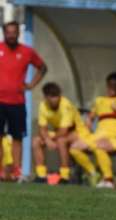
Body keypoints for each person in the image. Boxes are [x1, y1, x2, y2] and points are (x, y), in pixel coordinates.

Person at [0, 21, 47, 181]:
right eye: (8, 32)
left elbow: (43, 68)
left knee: (17, 137)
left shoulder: (27, 52)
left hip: (17, 102)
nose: (11, 35)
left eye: (14, 32)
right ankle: (0, 171)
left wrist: (31, 85)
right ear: (4, 33)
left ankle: (16, 171)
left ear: (18, 34)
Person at [70, 72, 116, 188]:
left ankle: (109, 180)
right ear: (107, 85)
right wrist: (87, 125)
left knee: (99, 146)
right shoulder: (99, 100)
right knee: (74, 147)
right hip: (98, 135)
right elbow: (91, 118)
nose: (112, 88)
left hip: (114, 137)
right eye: (110, 85)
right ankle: (94, 173)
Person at [32, 83, 89, 184]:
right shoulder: (42, 106)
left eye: (57, 95)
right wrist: (47, 139)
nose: (55, 99)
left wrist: (50, 139)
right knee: (36, 141)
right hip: (58, 132)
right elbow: (42, 128)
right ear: (45, 97)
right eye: (52, 96)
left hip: (77, 131)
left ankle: (64, 175)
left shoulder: (65, 104)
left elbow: (64, 131)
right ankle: (41, 175)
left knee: (61, 141)